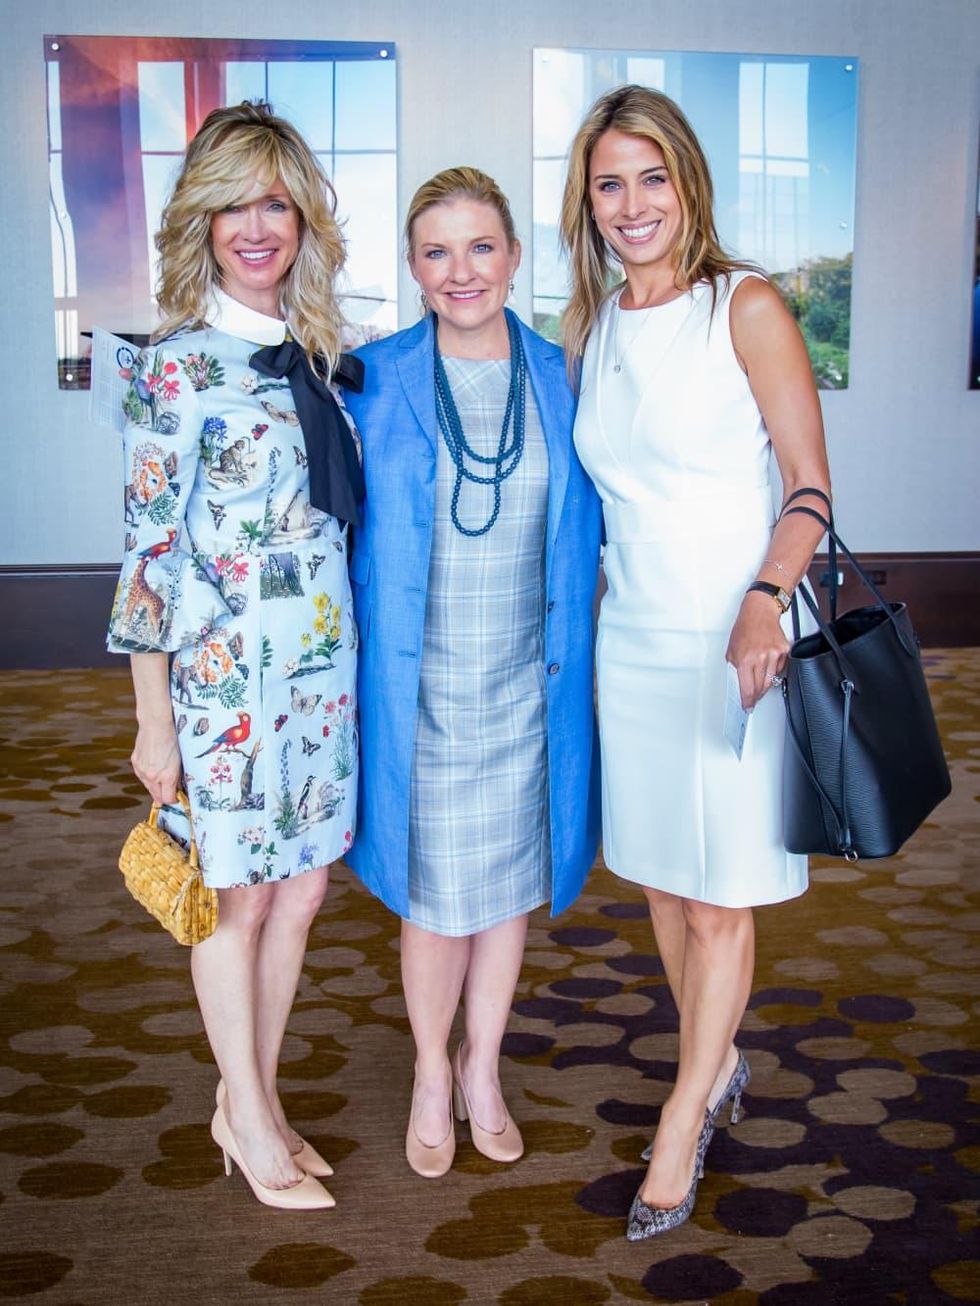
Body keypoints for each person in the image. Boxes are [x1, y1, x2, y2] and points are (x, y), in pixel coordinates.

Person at [562, 86, 832, 1240]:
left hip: (736, 640)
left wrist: (764, 600)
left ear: (686, 184)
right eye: (608, 183)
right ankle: (711, 1062)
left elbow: (807, 489)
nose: (632, 204)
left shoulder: (745, 304)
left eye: (651, 178)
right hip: (631, 643)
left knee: (721, 894)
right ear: (586, 200)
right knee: (667, 883)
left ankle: (682, 1117)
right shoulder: (592, 328)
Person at [107, 102, 364, 1211]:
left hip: (320, 673)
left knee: (301, 891)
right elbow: (148, 559)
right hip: (225, 682)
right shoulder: (170, 368)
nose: (256, 228)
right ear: (201, 222)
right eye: (232, 207)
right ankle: (251, 1117)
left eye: (276, 204)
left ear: (303, 220)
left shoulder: (319, 358)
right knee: (236, 901)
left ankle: (246, 1095)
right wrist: (152, 721)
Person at [342, 167, 602, 1178]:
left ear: (514, 257)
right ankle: (426, 1070)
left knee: (506, 890)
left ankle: (480, 1066)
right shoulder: (370, 379)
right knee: (434, 896)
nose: (461, 271)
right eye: (437, 251)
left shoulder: (566, 375)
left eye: (481, 246)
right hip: (421, 686)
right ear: (412, 266)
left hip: (530, 681)